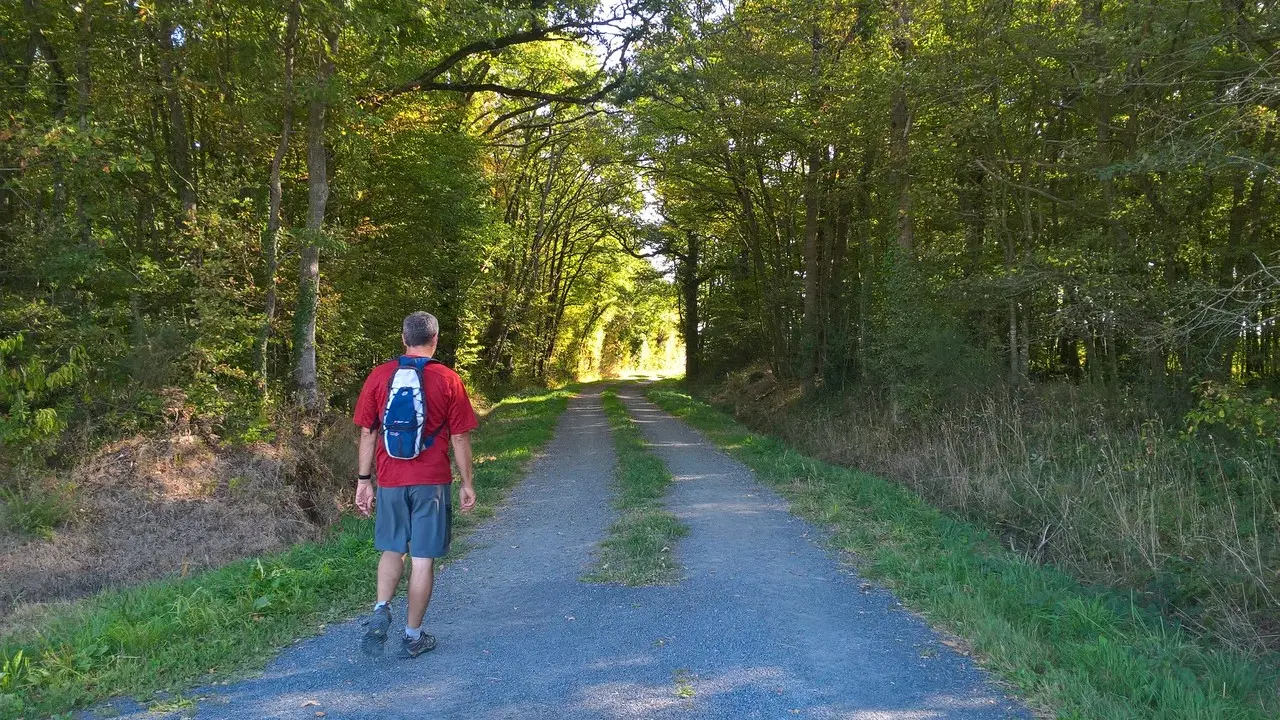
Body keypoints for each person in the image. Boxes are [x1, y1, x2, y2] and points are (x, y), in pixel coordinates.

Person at [352, 311, 478, 658]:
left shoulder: (379, 376)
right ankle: (413, 636)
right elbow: (460, 437)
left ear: (403, 337)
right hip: (432, 482)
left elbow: (367, 431)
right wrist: (467, 482)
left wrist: (364, 481)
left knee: (393, 548)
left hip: (390, 479)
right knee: (422, 559)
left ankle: (381, 610)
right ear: (435, 339)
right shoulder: (448, 379)